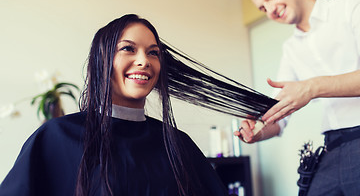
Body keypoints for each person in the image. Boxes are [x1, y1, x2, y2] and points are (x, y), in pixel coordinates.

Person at [0, 14, 230, 196]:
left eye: (153, 53)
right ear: (102, 59)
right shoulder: (56, 137)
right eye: (128, 48)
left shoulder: (178, 144)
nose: (144, 61)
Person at [234, 0, 360, 196]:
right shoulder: (291, 49)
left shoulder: (351, 5)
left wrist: (311, 88)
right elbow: (280, 114)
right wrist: (258, 130)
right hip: (331, 149)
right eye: (262, 8)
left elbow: (307, 90)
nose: (270, 10)